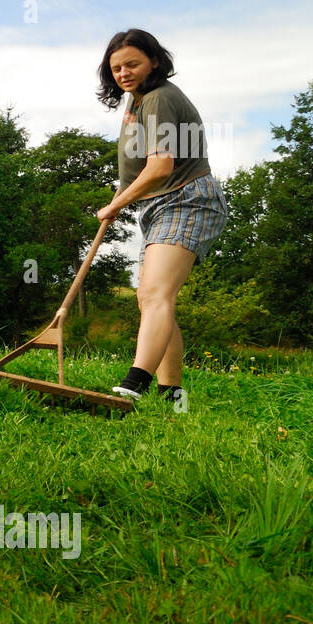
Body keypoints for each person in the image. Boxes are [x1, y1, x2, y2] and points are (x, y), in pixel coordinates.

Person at [94, 28, 227, 402]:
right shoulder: (136, 102)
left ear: (154, 60)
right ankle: (174, 397)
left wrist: (115, 205)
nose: (123, 73)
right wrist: (121, 195)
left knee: (156, 294)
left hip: (188, 200)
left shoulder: (159, 98)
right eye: (116, 67)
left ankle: (133, 386)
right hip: (159, 205)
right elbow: (137, 171)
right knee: (153, 300)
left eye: (132, 64)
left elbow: (160, 167)